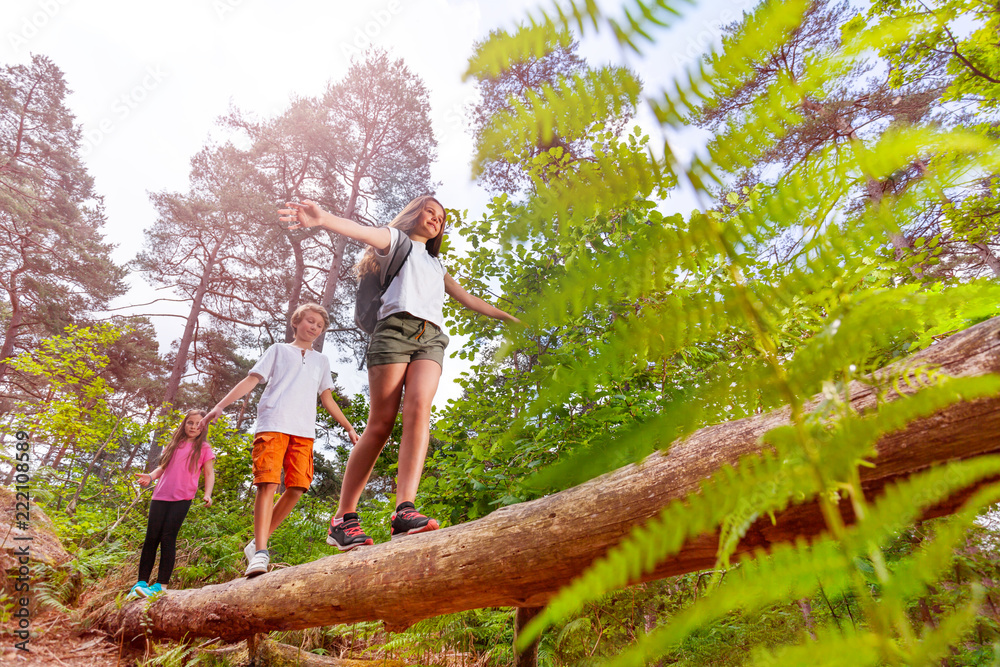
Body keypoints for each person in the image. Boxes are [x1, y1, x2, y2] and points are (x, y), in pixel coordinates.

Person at [279, 195, 519, 551]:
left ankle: (404, 510)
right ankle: (344, 518)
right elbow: (360, 231)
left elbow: (471, 300)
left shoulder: (437, 266)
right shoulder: (396, 242)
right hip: (394, 331)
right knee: (381, 423)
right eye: (430, 211)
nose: (436, 219)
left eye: (442, 217)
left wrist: (514, 319)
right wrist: (323, 219)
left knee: (420, 411)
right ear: (415, 213)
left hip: (432, 338)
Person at [204, 303, 359, 577]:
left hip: (303, 431)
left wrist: (348, 427)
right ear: (297, 322)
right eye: (310, 321)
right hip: (273, 422)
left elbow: (327, 398)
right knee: (268, 483)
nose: (314, 327)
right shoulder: (277, 350)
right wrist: (220, 405)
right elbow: (251, 380)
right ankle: (261, 551)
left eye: (319, 326)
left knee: (298, 487)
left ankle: (256, 543)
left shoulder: (321, 361)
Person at [128, 409, 215, 599]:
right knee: (151, 538)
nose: (193, 427)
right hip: (160, 496)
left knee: (168, 538)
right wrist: (150, 476)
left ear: (203, 427)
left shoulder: (204, 449)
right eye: (190, 423)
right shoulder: (175, 444)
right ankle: (140, 583)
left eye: (198, 424)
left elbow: (209, 473)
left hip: (182, 499)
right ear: (184, 424)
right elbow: (163, 467)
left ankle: (161, 586)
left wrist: (208, 494)